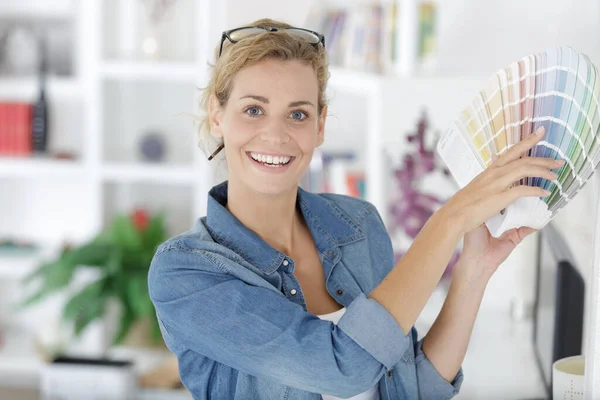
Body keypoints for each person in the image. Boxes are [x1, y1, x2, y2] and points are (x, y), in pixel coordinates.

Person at [147, 18, 563, 400]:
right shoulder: (186, 272)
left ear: (320, 125)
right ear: (218, 116)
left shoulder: (359, 226)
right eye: (253, 110)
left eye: (298, 114)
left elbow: (409, 390)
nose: (275, 134)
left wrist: (474, 270)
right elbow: (341, 366)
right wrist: (450, 219)